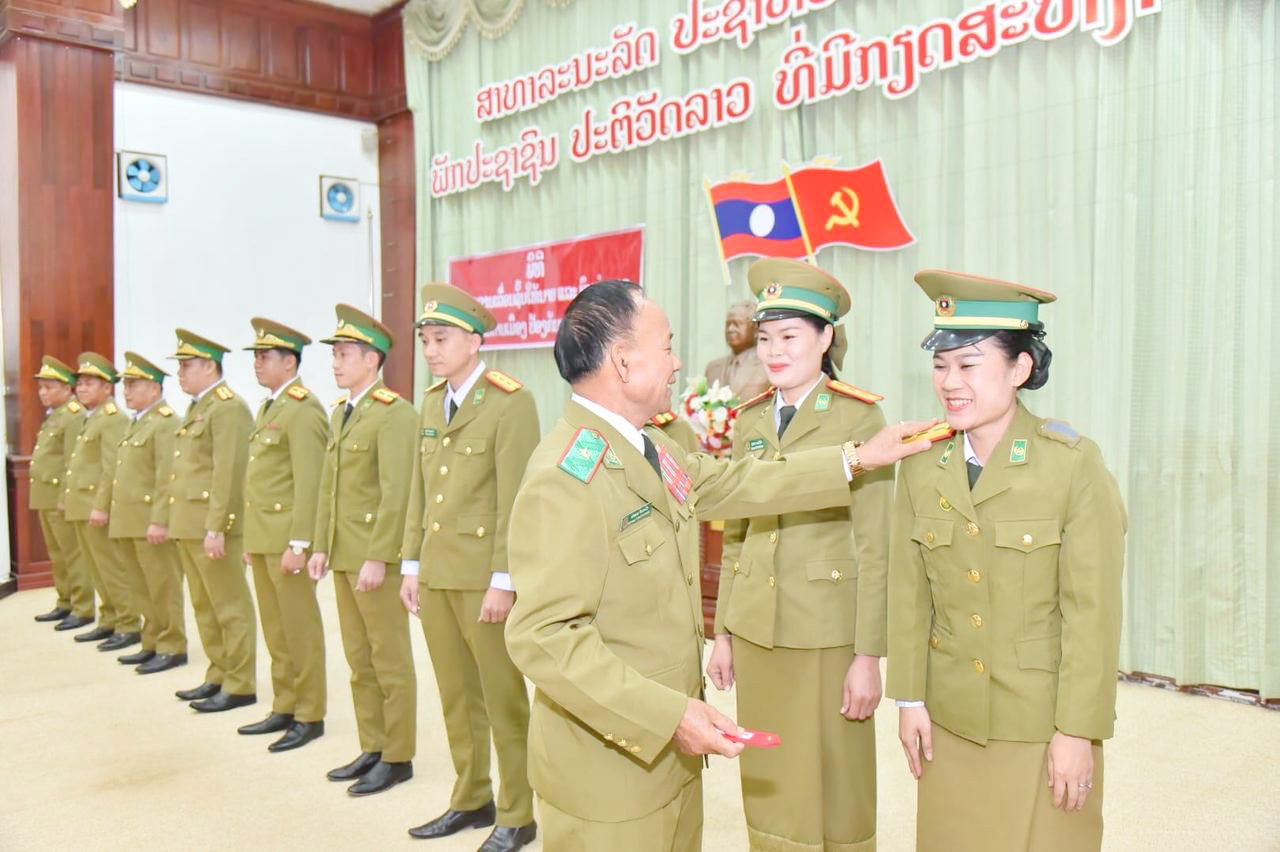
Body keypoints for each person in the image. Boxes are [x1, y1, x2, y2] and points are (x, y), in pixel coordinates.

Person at [503, 280, 937, 850]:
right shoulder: (565, 478)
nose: (678, 363)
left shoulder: (647, 446)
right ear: (624, 362)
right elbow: (543, 638)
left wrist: (855, 458)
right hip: (611, 781)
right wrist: (668, 716)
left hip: (671, 759)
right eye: (667, 347)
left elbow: (733, 484)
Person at [887, 269, 1126, 852]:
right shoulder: (921, 465)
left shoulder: (1071, 465)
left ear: (1020, 369)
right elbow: (909, 594)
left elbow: (1091, 615)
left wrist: (1076, 731)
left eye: (968, 365)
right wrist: (910, 699)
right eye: (941, 365)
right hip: (949, 718)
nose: (950, 382)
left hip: (1038, 722)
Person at [707, 258, 893, 851]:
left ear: (825, 338)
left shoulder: (859, 416)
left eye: (789, 337)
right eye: (766, 338)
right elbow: (737, 530)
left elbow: (876, 544)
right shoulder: (750, 419)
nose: (774, 351)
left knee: (836, 776)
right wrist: (724, 631)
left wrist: (868, 655)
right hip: (757, 627)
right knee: (769, 773)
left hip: (827, 630)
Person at [399, 283, 539, 850]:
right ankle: (471, 796)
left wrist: (505, 579)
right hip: (437, 575)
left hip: (484, 580)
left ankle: (518, 812)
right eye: (426, 340)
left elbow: (517, 499)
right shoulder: (432, 402)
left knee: (502, 699)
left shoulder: (510, 402)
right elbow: (419, 490)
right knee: (456, 696)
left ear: (475, 341)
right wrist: (411, 563)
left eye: (443, 338)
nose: (431, 350)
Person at [308, 305, 418, 796]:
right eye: (335, 354)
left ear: (372, 360)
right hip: (344, 555)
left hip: (376, 560)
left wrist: (380, 556)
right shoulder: (341, 412)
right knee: (359, 659)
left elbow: (397, 493)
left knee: (389, 659)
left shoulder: (395, 414)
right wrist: (320, 545)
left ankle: (397, 756)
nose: (336, 363)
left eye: (345, 354)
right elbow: (329, 488)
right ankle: (373, 745)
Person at [238, 319, 329, 752]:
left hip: (288, 542)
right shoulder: (270, 407)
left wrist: (300, 543)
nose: (257, 364)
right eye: (256, 357)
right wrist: (250, 540)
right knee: (276, 629)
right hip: (264, 538)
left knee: (299, 630)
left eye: (265, 357)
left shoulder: (304, 409)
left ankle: (309, 714)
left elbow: (310, 482)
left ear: (290, 362)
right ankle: (285, 704)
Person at [168, 329, 258, 713]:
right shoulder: (199, 407)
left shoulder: (228, 408)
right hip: (189, 524)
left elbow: (228, 473)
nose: (180, 373)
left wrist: (217, 527)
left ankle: (240, 683)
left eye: (187, 365)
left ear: (209, 367)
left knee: (229, 606)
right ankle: (219, 673)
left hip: (213, 526)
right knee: (205, 606)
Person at [106, 352, 188, 674]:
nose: (126, 391)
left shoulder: (165, 423)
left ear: (154, 389)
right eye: (125, 385)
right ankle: (152, 640)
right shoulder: (137, 422)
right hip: (130, 519)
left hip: (150, 521)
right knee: (141, 586)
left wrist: (160, 520)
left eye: (134, 385)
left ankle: (172, 644)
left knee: (162, 586)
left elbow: (167, 476)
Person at [63, 353, 136, 650]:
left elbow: (111, 467)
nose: (81, 388)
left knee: (112, 568)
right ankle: (109, 619)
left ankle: (128, 624)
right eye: (79, 383)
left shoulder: (112, 418)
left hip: (96, 505)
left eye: (89, 383)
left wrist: (101, 505)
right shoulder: (91, 417)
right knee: (96, 568)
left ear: (107, 388)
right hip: (82, 503)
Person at [29, 356, 94, 630]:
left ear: (67, 388)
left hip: (61, 497)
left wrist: (66, 498)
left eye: (49, 387)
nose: (43, 393)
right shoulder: (55, 415)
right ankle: (65, 601)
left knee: (73, 554)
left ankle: (82, 607)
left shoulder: (73, 416)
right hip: (46, 495)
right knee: (58, 554)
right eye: (41, 387)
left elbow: (72, 461)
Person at [704, 299, 769, 401]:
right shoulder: (713, 368)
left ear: (755, 329)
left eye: (737, 324)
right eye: (728, 324)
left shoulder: (767, 366)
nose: (730, 329)